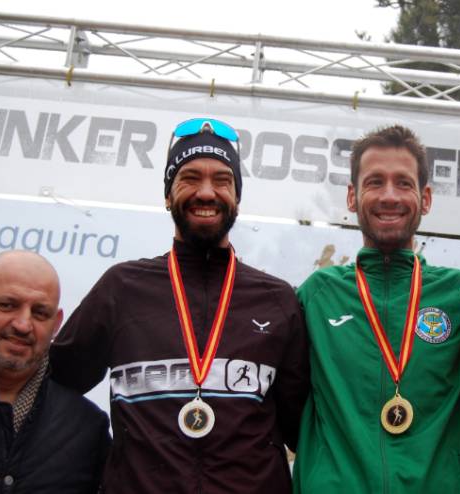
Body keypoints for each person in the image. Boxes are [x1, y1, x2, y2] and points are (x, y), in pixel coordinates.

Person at [50, 117, 309, 494]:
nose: (206, 192)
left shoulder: (277, 299)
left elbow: (305, 429)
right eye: (189, 178)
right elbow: (55, 384)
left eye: (222, 180)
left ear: (237, 197)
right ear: (168, 195)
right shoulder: (122, 288)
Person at [293, 125, 460, 493]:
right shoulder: (317, 296)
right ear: (352, 197)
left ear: (426, 198)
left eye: (404, 183)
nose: (389, 196)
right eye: (375, 182)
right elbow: (289, 404)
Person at [0, 250, 110, 493]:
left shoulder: (87, 428)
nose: (23, 325)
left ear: (56, 324)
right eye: (7, 305)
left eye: (40, 313)